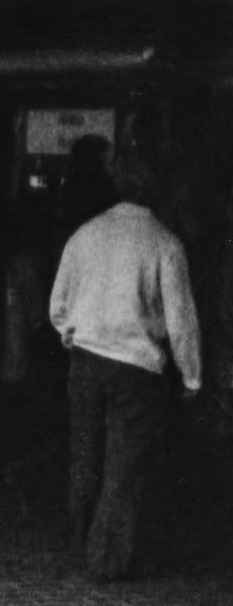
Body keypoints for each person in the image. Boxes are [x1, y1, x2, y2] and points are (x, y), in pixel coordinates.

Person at [49, 151, 202, 581]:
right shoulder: (165, 243)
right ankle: (107, 559)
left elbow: (58, 302)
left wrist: (70, 330)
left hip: (85, 358)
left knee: (84, 453)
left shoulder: (85, 234)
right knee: (123, 465)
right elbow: (181, 320)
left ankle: (80, 540)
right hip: (136, 369)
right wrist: (191, 376)